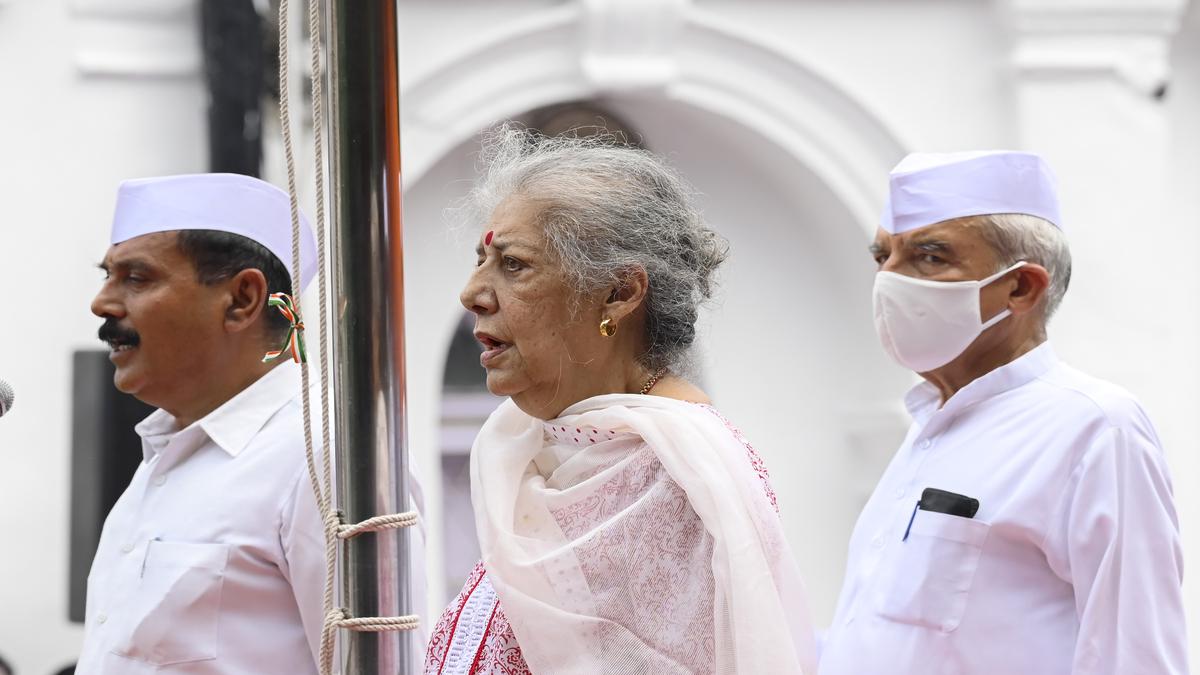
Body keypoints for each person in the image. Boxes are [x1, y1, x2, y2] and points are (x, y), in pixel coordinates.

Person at [422, 127, 817, 675]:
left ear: (619, 292)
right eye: (481, 259)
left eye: (513, 264)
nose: (472, 293)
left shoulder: (684, 473)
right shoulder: (531, 446)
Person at [818, 151, 1189, 674]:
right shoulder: (929, 427)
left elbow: (1136, 654)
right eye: (883, 257)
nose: (890, 280)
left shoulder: (1095, 426)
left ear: (1021, 287)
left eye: (929, 256)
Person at [78, 173, 326, 674]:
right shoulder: (163, 457)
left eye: (136, 278)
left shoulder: (316, 453)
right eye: (106, 275)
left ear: (241, 300)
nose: (101, 303)